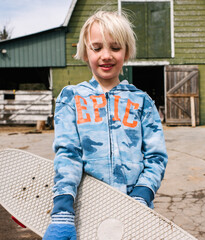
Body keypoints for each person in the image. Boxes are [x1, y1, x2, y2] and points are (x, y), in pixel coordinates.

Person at [43, 10, 168, 240]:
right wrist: (62, 211)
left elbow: (156, 157)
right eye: (97, 47)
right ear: (85, 51)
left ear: (127, 51)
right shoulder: (71, 99)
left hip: (133, 211)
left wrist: (142, 194)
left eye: (115, 47)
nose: (106, 55)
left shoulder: (142, 101)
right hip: (86, 212)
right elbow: (67, 155)